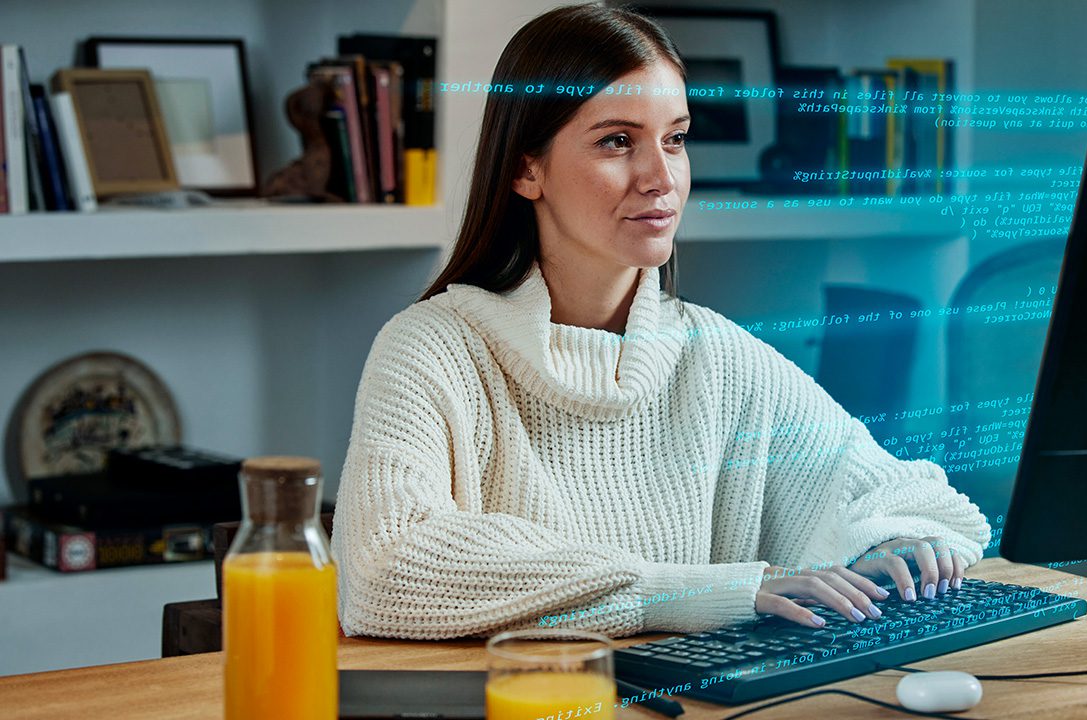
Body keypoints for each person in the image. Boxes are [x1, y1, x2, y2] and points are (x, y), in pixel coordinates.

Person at [331, 2, 990, 641]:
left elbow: (915, 499)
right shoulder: (431, 350)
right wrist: (695, 592)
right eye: (617, 141)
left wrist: (897, 544)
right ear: (526, 170)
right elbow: (384, 570)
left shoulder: (714, 355)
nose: (661, 177)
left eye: (674, 140)